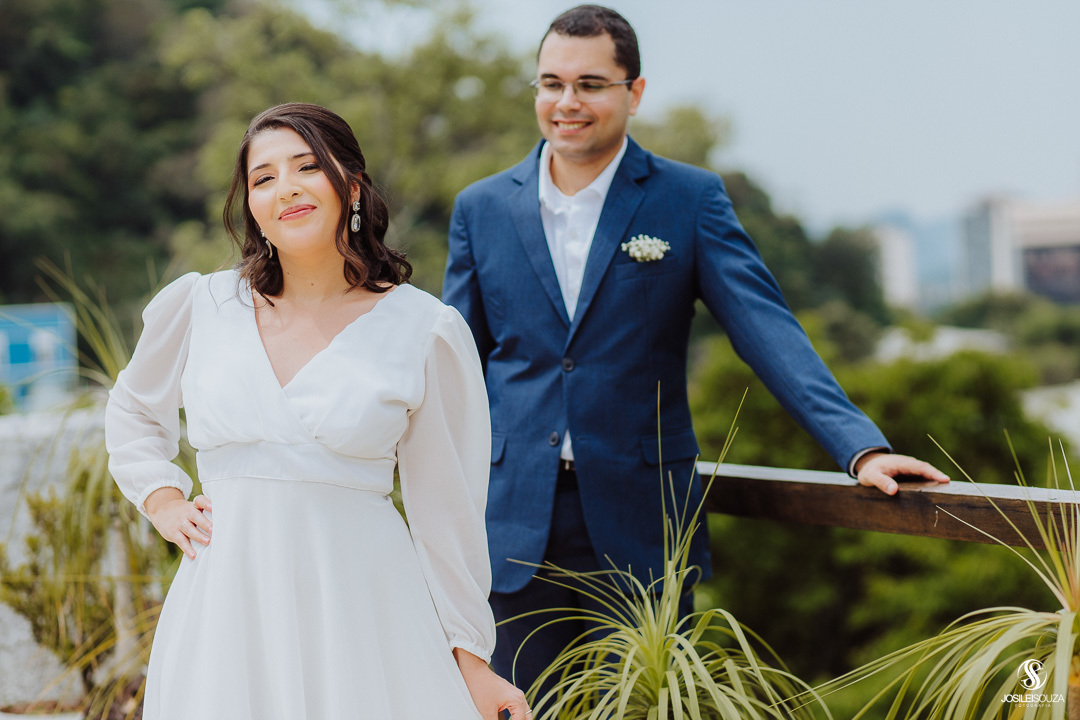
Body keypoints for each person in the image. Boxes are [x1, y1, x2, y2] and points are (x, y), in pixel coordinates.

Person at [442, 4, 950, 695]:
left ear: (635, 92)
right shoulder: (481, 208)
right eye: (551, 83)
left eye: (591, 84)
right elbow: (453, 364)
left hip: (642, 523)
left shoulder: (689, 199)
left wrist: (859, 446)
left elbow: (767, 330)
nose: (567, 102)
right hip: (512, 525)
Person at [105, 103, 529, 720]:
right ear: (250, 203)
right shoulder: (203, 306)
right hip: (227, 608)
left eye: (308, 166)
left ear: (351, 186)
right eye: (264, 177)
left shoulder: (424, 329)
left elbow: (448, 516)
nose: (287, 188)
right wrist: (162, 499)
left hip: (364, 612)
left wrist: (473, 663)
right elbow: (132, 410)